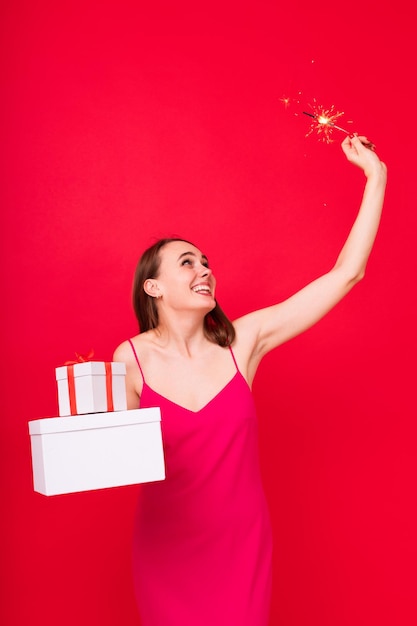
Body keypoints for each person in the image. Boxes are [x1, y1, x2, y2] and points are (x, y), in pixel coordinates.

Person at [113, 134, 387, 626]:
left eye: (207, 262)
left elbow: (348, 273)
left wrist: (377, 177)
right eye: (187, 262)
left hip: (240, 548)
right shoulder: (131, 358)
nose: (205, 270)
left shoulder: (244, 342)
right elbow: (118, 461)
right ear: (152, 287)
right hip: (166, 550)